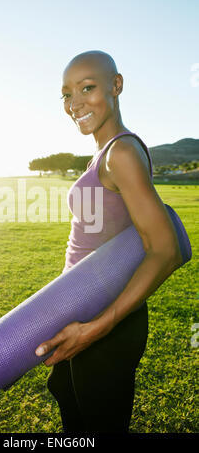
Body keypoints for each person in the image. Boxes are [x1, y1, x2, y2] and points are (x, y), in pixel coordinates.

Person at [35, 50, 183, 433]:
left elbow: (165, 250)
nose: (74, 103)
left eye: (88, 88)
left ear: (116, 86)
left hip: (107, 323)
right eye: (66, 94)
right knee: (72, 410)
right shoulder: (102, 154)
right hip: (79, 309)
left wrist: (95, 329)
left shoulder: (122, 152)